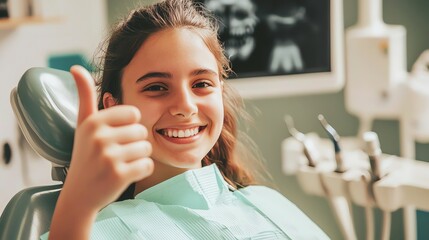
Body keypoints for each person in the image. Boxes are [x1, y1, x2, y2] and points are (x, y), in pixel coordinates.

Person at [43, 0, 329, 239]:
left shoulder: (267, 203)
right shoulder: (95, 230)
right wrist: (76, 206)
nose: (185, 106)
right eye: (156, 87)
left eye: (202, 84)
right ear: (114, 106)